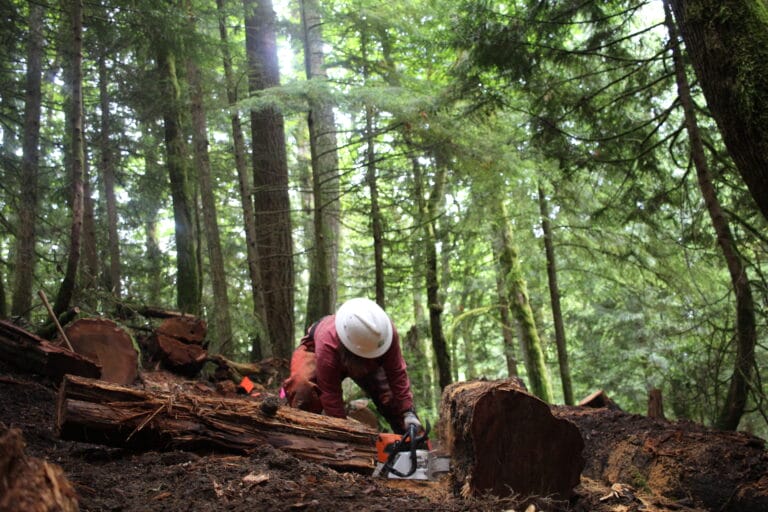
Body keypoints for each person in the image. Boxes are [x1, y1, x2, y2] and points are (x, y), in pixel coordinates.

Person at [281, 297, 422, 434]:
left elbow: (397, 373)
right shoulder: (327, 343)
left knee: (391, 398)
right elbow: (330, 393)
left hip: (369, 359)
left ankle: (415, 444)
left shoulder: (385, 333)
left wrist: (407, 411)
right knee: (302, 387)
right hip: (320, 351)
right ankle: (305, 438)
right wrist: (343, 432)